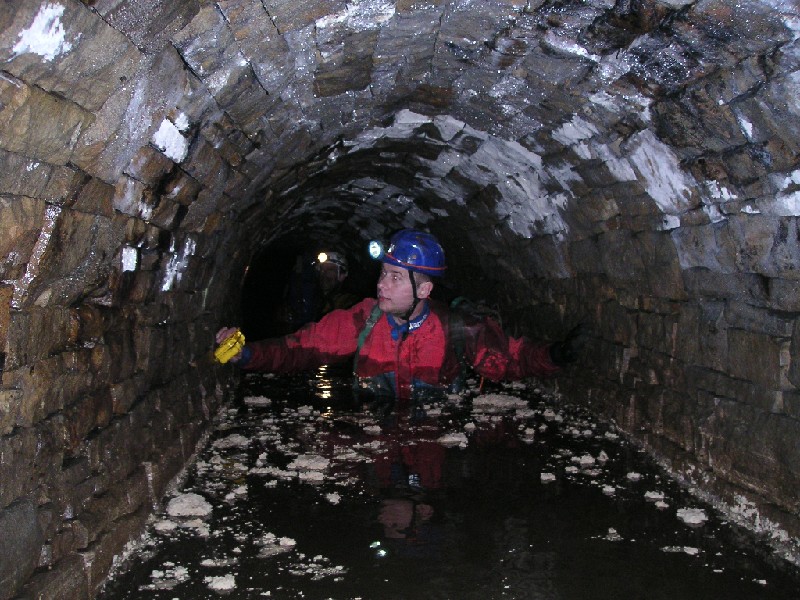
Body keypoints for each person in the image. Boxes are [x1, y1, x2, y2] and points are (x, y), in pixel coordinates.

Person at [215, 229, 589, 402]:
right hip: (375, 437)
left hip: (439, 442)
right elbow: (302, 348)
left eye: (395, 278)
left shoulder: (459, 328)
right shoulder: (364, 319)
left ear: (424, 290)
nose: (382, 285)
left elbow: (509, 359)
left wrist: (555, 355)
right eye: (382, 275)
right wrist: (248, 354)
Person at [314, 251, 360, 318]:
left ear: (341, 276)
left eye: (330, 270)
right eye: (322, 270)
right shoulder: (314, 297)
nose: (324, 274)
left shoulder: (349, 302)